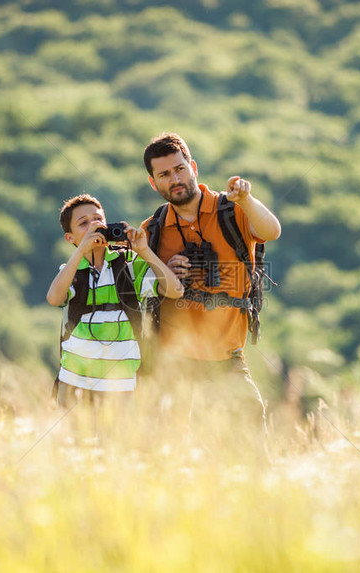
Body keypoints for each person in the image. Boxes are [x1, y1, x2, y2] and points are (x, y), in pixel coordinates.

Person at [140, 132, 281, 451]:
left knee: (249, 432)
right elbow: (142, 290)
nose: (174, 179)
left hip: (225, 354)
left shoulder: (230, 210)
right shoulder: (153, 229)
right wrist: (166, 273)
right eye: (164, 174)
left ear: (193, 167)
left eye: (179, 169)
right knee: (170, 446)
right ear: (153, 183)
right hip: (172, 357)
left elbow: (271, 231)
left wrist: (245, 198)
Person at [46, 194, 184, 432]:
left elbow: (175, 290)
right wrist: (81, 252)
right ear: (70, 238)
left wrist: (144, 251)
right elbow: (54, 298)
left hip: (122, 383)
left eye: (98, 219)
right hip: (74, 381)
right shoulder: (70, 271)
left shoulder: (130, 264)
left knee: (118, 452)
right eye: (83, 223)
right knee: (76, 450)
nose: (93, 226)